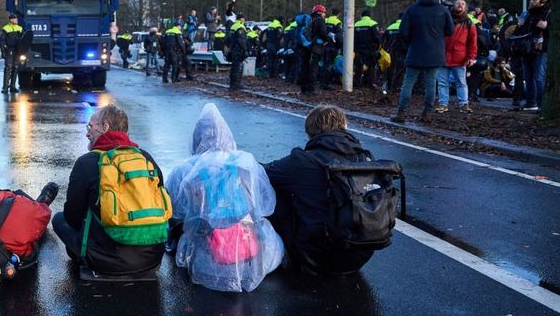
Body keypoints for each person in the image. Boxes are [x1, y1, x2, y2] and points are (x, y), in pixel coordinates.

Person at [167, 104, 283, 292]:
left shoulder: (184, 170)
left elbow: (175, 212)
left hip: (205, 262)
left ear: (196, 139)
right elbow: (266, 206)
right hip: (249, 256)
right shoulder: (246, 164)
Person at [51, 104, 167, 277]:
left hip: (105, 261)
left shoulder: (86, 162)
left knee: (59, 219)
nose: (87, 133)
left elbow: (72, 218)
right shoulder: (145, 158)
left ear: (105, 127)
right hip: (152, 258)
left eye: (91, 127)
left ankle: (87, 256)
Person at [265, 105, 376, 276]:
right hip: (360, 256)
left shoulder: (303, 161)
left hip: (316, 258)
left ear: (310, 133)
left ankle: (271, 252)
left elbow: (260, 173)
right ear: (345, 126)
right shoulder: (365, 158)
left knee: (275, 187)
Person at [391, 0, 453, 123]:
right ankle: (427, 113)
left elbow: (403, 31)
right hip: (435, 53)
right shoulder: (443, 10)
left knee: (408, 83)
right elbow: (450, 31)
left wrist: (411, 41)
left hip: (415, 50)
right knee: (431, 84)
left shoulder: (412, 10)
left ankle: (401, 112)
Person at [436, 0, 477, 114]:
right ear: (453, 5)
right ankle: (443, 104)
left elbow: (472, 42)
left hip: (459, 57)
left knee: (461, 82)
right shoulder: (444, 20)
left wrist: (471, 57)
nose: (460, 5)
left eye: (463, 4)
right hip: (444, 56)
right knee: (443, 82)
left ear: (466, 8)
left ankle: (464, 104)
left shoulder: (469, 23)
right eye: (458, 3)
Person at [515, 0, 551, 112]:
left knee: (539, 78)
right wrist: (519, 26)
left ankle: (542, 106)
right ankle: (531, 102)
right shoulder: (527, 15)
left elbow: (554, 34)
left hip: (540, 50)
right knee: (528, 77)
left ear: (542, 1)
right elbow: (520, 33)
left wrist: (547, 27)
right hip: (527, 50)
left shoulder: (548, 14)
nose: (531, 1)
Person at [298, 6, 329, 95]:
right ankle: (312, 89)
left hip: (306, 47)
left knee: (305, 67)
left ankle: (304, 89)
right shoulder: (319, 20)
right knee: (313, 68)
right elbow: (323, 32)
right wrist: (327, 40)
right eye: (324, 12)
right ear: (319, 12)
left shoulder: (310, 20)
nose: (325, 14)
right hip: (315, 48)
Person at [353, 9, 382, 89]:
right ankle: (369, 83)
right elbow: (377, 37)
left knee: (359, 66)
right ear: (369, 16)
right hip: (370, 49)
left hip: (358, 49)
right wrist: (378, 46)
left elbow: (353, 38)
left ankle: (357, 84)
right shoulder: (373, 23)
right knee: (371, 66)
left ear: (362, 16)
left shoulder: (356, 24)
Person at [0, 13, 23, 93]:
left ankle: (13, 86)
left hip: (17, 50)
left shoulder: (20, 28)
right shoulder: (6, 28)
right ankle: (5, 87)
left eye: (16, 18)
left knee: (15, 68)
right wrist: (3, 51)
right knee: (8, 68)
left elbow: (22, 40)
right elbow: (2, 41)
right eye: (14, 19)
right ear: (11, 20)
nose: (16, 20)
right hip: (9, 50)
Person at [226, 14, 248, 90]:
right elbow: (241, 40)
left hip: (233, 49)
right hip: (238, 49)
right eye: (243, 18)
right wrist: (245, 49)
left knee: (234, 66)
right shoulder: (240, 27)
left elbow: (229, 38)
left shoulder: (233, 26)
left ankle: (232, 83)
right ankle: (237, 83)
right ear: (241, 19)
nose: (244, 19)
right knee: (238, 67)